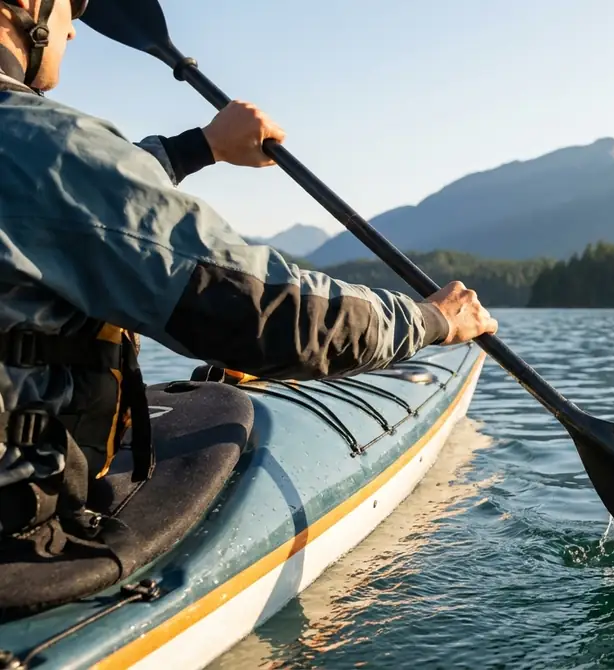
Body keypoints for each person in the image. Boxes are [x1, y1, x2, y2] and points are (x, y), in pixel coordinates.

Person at [0, 0, 497, 539]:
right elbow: (263, 314)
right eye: (75, 6)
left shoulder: (43, 154)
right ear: (30, 5)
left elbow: (57, 194)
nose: (73, 32)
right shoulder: (50, 145)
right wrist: (429, 321)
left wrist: (201, 147)